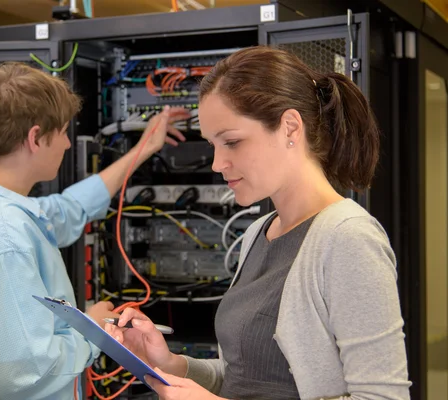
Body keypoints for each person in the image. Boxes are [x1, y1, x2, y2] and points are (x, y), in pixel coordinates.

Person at [106, 46, 411, 400]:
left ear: (289, 127)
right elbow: (247, 379)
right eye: (212, 145)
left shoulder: (348, 238)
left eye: (232, 142)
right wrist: (172, 364)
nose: (217, 163)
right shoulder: (259, 231)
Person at [0, 62, 189, 399]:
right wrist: (93, 329)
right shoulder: (0, 238)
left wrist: (144, 148)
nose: (67, 144)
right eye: (64, 132)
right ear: (35, 137)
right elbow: (26, 376)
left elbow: (66, 210)